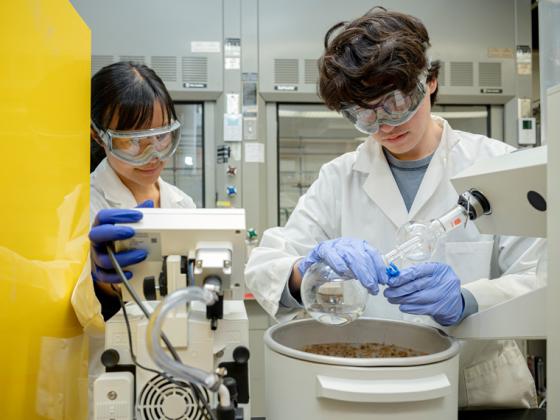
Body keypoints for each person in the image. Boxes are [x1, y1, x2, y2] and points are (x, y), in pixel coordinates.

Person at [245, 7, 540, 409]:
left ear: (430, 81)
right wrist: (307, 271)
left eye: (397, 101)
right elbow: (267, 265)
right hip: (365, 388)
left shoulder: (494, 166)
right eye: (364, 113)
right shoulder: (339, 178)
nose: (385, 124)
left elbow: (541, 278)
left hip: (476, 396)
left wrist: (468, 301)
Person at [70, 62, 195, 416]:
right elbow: (74, 310)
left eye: (162, 135)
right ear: (98, 136)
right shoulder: (80, 203)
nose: (153, 153)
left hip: (177, 377)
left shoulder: (182, 203)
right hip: (109, 377)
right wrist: (100, 282)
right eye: (133, 141)